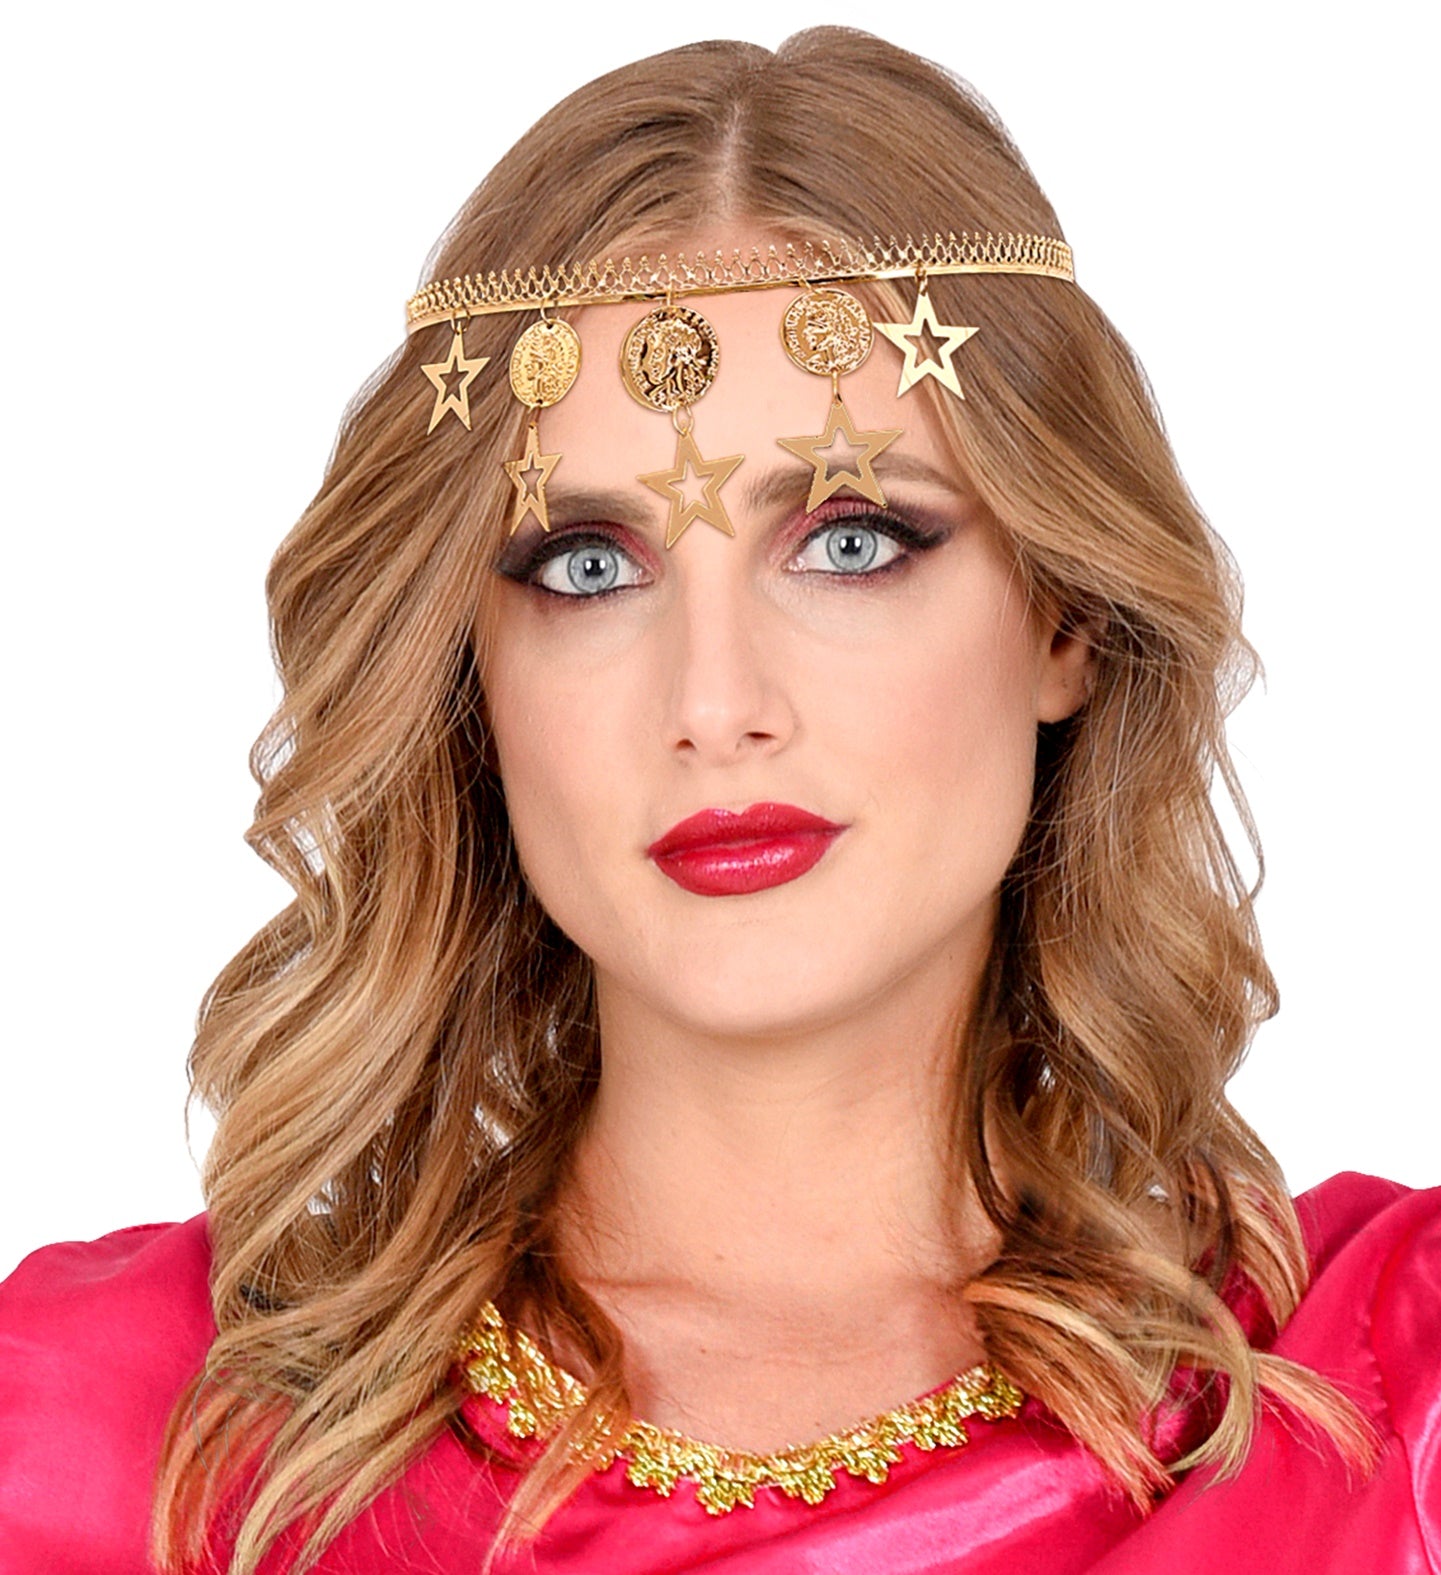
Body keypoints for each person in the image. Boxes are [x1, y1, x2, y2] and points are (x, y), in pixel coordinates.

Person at [0, 26, 1435, 1575]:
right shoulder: (106, 1433)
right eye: (586, 567)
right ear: (468, 684)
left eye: (849, 541)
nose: (713, 704)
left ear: (1063, 619)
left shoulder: (1384, 1402)